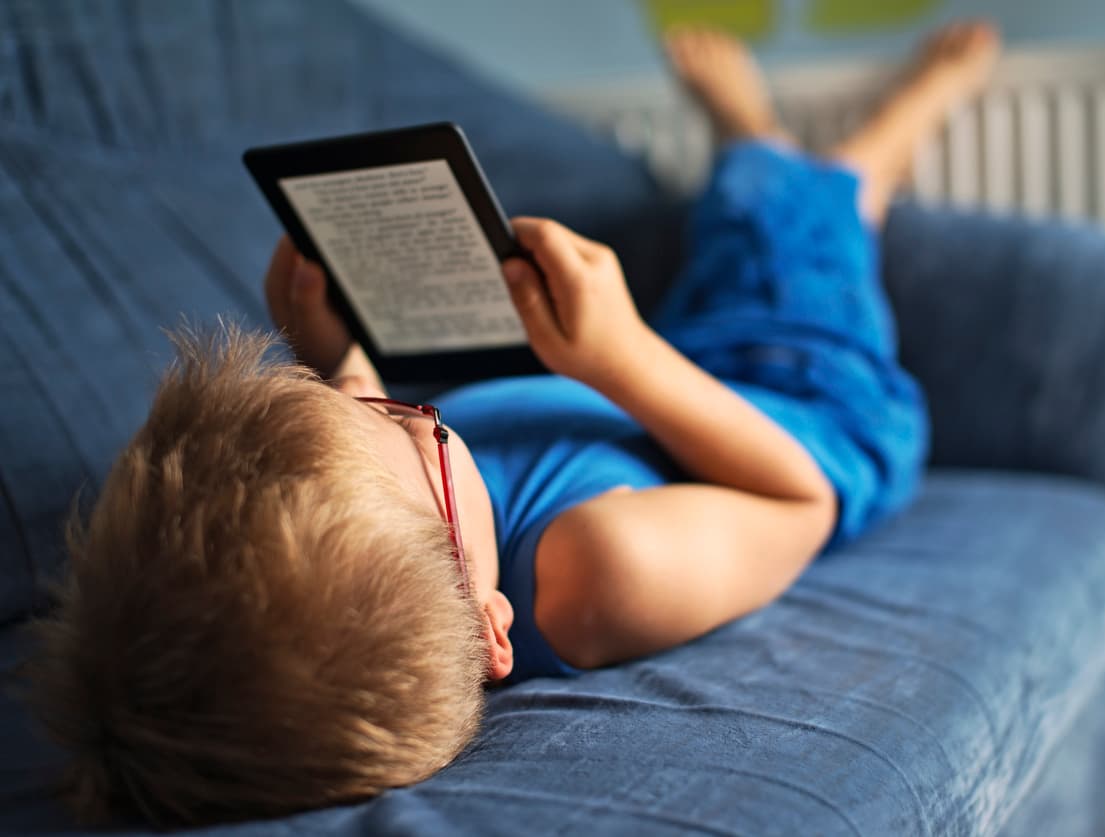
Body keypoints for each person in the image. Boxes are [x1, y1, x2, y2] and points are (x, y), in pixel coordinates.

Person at [26, 21, 1000, 827]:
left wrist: (333, 348)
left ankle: (758, 149)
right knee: (790, 219)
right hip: (806, 402)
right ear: (495, 632)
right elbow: (801, 497)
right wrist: (620, 357)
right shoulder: (597, 572)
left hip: (668, 375)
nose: (402, 404)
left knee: (734, 227)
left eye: (354, 402)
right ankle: (874, 125)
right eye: (409, 422)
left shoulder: (427, 547)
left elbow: (377, 463)